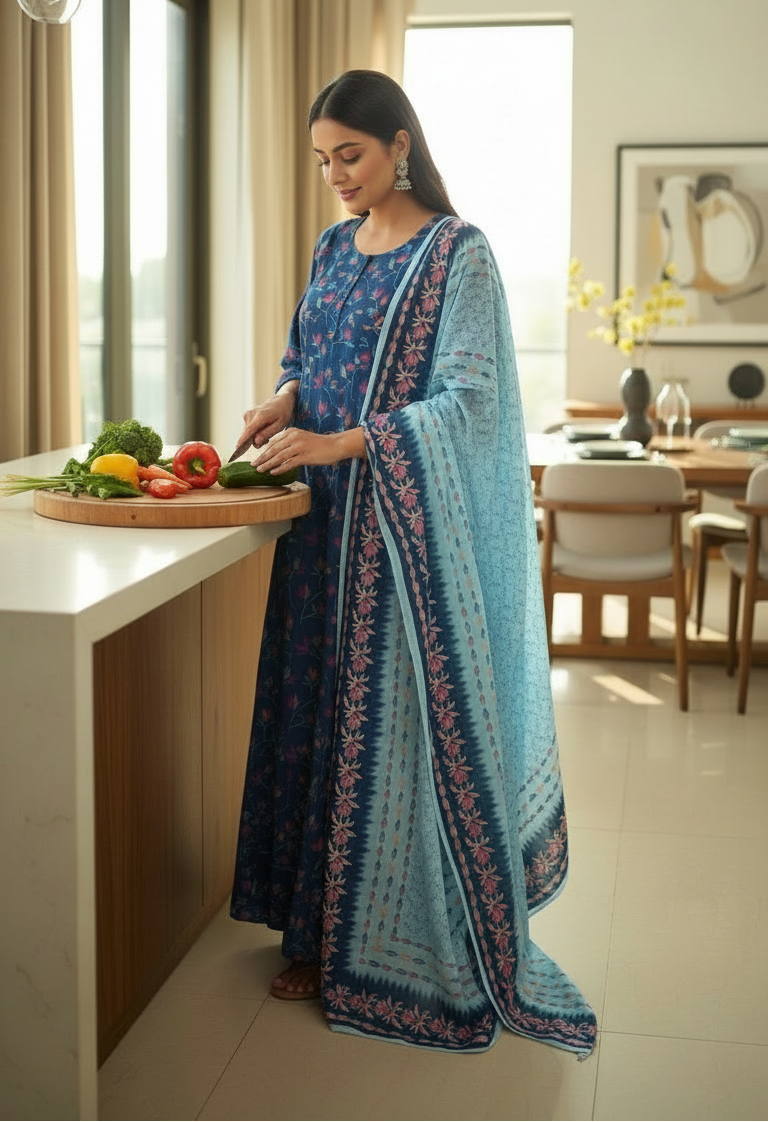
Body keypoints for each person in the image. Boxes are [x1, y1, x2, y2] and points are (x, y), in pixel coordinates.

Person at [230, 69, 596, 1056]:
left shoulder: (456, 255)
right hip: (316, 536)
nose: (336, 176)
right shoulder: (332, 247)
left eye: (349, 154)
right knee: (313, 716)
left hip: (396, 543)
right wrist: (283, 399)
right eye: (323, 161)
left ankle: (374, 944)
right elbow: (308, 357)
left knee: (378, 735)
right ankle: (308, 930)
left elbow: (469, 404)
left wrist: (345, 442)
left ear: (400, 144)